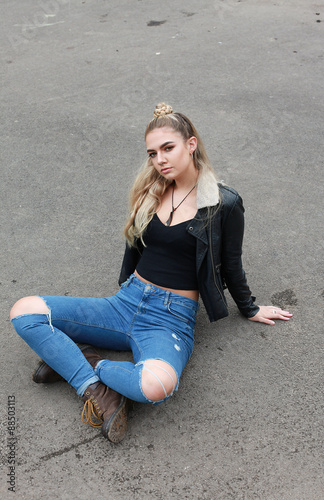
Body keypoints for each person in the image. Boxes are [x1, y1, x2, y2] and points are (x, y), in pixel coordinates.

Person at [10, 103, 292, 443]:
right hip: (125, 301)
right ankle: (97, 390)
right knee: (24, 312)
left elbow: (231, 262)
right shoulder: (151, 191)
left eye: (168, 148)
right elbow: (135, 249)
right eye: (153, 152)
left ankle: (79, 361)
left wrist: (250, 307)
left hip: (171, 318)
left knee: (155, 386)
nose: (160, 159)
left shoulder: (224, 203)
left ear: (191, 144)